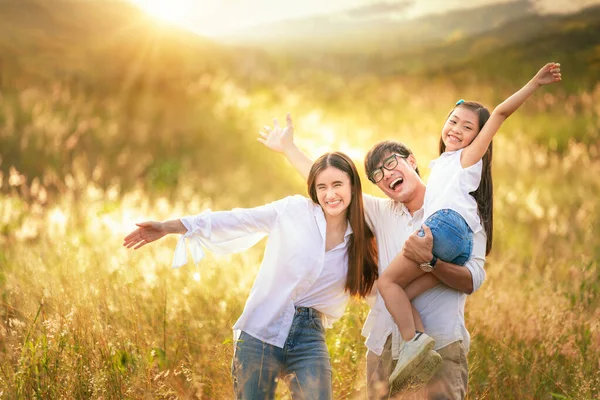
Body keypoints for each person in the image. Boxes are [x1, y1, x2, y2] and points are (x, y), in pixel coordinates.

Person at [259, 118, 486, 399]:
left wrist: (432, 263)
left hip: (440, 345)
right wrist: (289, 148)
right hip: (384, 347)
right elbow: (333, 187)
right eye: (377, 174)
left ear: (412, 161)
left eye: (391, 164)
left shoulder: (456, 210)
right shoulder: (382, 212)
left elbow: (472, 280)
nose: (386, 174)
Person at [122, 152, 378, 400]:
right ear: (314, 190)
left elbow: (382, 286)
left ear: (353, 187)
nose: (330, 194)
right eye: (322, 186)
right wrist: (170, 227)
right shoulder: (293, 211)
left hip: (309, 338)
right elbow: (236, 220)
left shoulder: (363, 239)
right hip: (260, 330)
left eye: (337, 185)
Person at [378, 62, 562, 391]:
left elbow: (502, 113)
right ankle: (418, 349)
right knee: (402, 295)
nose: (456, 130)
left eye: (467, 127)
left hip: (444, 228)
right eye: (452, 121)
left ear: (478, 138)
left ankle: (410, 342)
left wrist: (535, 82)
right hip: (455, 242)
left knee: (386, 284)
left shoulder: (466, 160)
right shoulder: (443, 165)